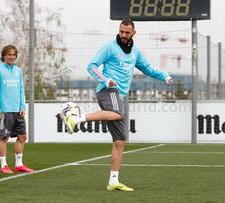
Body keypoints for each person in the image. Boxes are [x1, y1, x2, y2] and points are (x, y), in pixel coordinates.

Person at [59, 18, 173, 191]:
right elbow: (91, 66)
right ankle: (75, 118)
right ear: (118, 30)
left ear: (134, 33)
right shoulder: (110, 47)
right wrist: (106, 79)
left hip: (118, 96)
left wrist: (164, 76)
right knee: (118, 114)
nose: (124, 35)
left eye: (127, 32)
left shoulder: (135, 52)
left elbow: (148, 69)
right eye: (121, 31)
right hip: (106, 91)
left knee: (120, 141)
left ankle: (113, 181)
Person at [0, 45, 34, 174]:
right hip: (4, 110)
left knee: (22, 136)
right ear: (4, 56)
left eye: (14, 55)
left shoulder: (18, 71)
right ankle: (4, 165)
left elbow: (21, 89)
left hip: (18, 110)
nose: (12, 57)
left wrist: (22, 106)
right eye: (9, 54)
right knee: (4, 138)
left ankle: (19, 164)